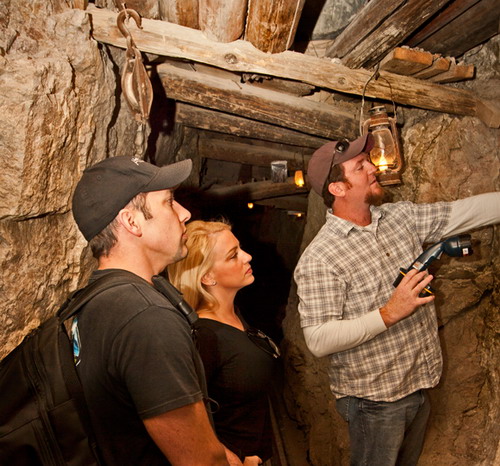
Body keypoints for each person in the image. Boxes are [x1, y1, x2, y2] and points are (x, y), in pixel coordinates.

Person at [294, 134, 500, 466]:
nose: (373, 168)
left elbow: (462, 213)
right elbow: (318, 339)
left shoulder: (398, 218)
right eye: (360, 166)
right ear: (338, 189)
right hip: (373, 402)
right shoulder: (321, 258)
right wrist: (389, 313)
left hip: (418, 384)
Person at [71, 156, 230, 465]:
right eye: (170, 203)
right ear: (131, 222)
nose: (185, 213)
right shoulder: (146, 317)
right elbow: (200, 462)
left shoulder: (96, 298)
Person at [168, 220, 279, 466]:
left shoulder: (234, 313)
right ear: (207, 276)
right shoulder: (204, 335)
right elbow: (187, 417)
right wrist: (230, 457)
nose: (247, 257)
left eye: (240, 249)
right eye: (233, 256)